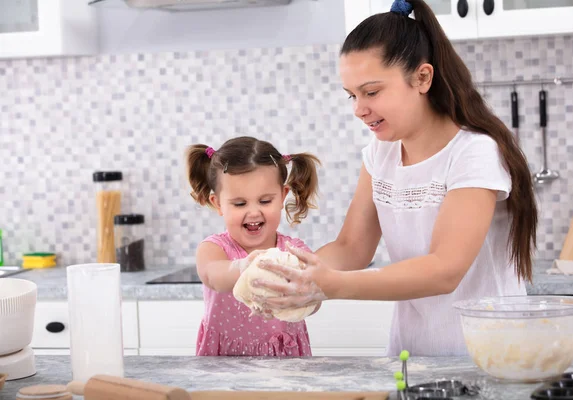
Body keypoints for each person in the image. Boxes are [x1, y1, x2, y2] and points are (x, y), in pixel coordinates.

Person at [252, 0, 538, 357]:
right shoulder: (380, 153)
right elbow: (352, 248)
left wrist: (333, 286)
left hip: (489, 354)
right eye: (352, 95)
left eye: (371, 92)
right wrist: (291, 275)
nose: (359, 109)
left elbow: (444, 270)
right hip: (414, 354)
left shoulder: (474, 153)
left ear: (422, 78)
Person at [186, 136, 321, 356]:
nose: (254, 212)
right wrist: (244, 266)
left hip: (284, 360)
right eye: (240, 203)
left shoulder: (294, 252)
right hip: (224, 362)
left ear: (282, 196)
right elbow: (214, 276)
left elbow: (314, 301)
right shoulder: (215, 249)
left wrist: (307, 299)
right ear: (218, 204)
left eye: (265, 201)